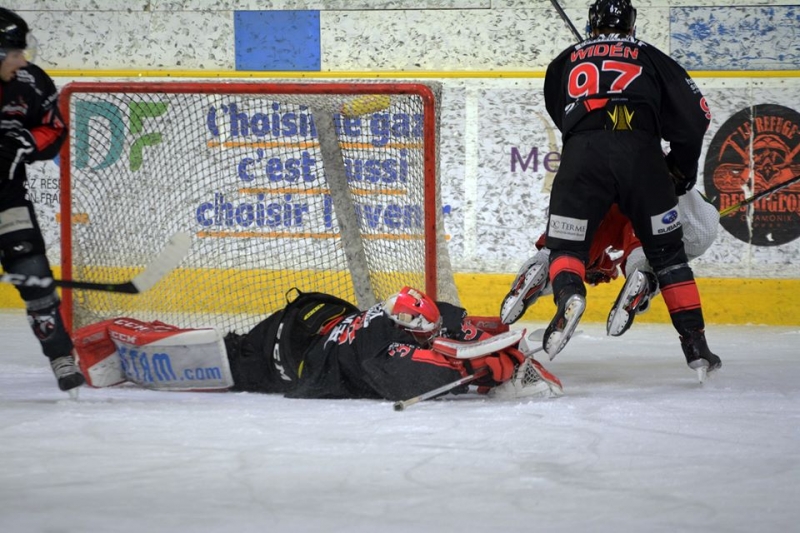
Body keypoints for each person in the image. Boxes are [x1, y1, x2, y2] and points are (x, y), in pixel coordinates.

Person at [536, 0, 721, 380]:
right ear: (632, 27)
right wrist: (680, 171)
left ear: (591, 25)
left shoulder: (565, 60)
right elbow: (696, 118)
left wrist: (587, 131)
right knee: (669, 256)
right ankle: (697, 347)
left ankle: (569, 294)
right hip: (642, 157)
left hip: (582, 156)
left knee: (567, 248)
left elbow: (559, 110)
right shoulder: (651, 56)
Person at [73, 287, 564, 402]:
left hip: (308, 322)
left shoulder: (395, 314)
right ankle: (122, 346)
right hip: (286, 357)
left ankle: (129, 336)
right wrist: (484, 369)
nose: (432, 334)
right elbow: (418, 372)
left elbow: (447, 321)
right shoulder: (385, 354)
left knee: (233, 348)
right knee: (228, 361)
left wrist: (483, 336)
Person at [0, 8, 85, 393]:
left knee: (32, 269)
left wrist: (24, 142)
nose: (22, 61)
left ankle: (61, 357)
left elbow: (53, 127)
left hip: (7, 197)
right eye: (14, 53)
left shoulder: (30, 82)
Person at [502, 187, 720, 337]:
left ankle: (543, 266)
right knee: (650, 250)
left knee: (567, 248)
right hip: (675, 207)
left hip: (601, 186)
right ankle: (645, 279)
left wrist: (596, 264)